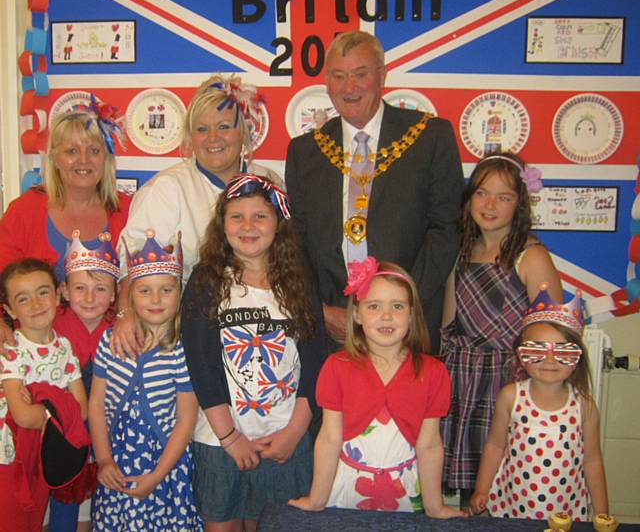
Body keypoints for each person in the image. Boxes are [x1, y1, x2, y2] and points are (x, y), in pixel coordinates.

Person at [285, 30, 464, 351]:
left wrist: (398, 306)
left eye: (360, 74)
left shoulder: (429, 137)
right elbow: (296, 244)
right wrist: (320, 311)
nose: (349, 87)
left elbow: (447, 229)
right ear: (327, 82)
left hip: (407, 324)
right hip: (333, 329)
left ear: (382, 75)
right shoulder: (304, 152)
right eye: (339, 76)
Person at [181, 174, 326, 532]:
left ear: (278, 223)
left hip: (285, 437)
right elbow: (201, 366)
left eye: (260, 216)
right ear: (222, 225)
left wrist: (295, 431)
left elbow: (315, 362)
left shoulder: (299, 281)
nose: (248, 226)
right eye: (237, 217)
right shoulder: (206, 281)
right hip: (220, 440)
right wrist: (230, 437)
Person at [113, 74, 282, 357]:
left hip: (264, 334)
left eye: (224, 127)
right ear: (190, 137)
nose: (213, 138)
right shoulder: (167, 189)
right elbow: (133, 259)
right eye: (202, 129)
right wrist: (126, 313)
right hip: (188, 338)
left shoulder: (270, 183)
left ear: (244, 132)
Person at [289, 257, 464, 517]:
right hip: (347, 489)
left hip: (406, 492)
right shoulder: (336, 367)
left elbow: (429, 444)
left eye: (397, 306)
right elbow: (329, 438)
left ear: (412, 314)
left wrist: (434, 506)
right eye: (374, 306)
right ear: (357, 314)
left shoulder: (433, 372)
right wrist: (317, 498)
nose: (386, 316)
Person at [440, 152, 562, 505]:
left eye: (504, 197)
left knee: (508, 477)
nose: (490, 204)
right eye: (482, 193)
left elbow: (553, 330)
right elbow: (449, 321)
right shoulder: (461, 251)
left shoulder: (530, 255)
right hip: (463, 378)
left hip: (509, 379)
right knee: (471, 488)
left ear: (519, 203)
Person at [89, 230, 202, 531]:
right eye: (145, 291)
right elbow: (97, 405)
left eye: (166, 290)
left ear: (180, 292)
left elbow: (186, 421)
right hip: (117, 460)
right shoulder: (109, 341)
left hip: (165, 465)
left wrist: (156, 476)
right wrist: (103, 460)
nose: (155, 299)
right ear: (130, 295)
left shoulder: (182, 348)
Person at [469, 286, 609, 521]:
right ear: (521, 356)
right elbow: (495, 445)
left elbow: (592, 460)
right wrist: (481, 489)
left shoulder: (584, 406)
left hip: (566, 510)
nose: (550, 360)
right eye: (537, 350)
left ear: (577, 359)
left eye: (563, 352)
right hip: (512, 505)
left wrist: (602, 511)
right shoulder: (511, 397)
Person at [0, 100, 131, 349]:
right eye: (72, 151)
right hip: (39, 351)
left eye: (94, 150)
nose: (84, 160)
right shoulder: (24, 211)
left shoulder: (127, 211)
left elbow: (139, 283)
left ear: (106, 158)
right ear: (55, 158)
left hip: (112, 352)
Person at [0, 258, 87, 532]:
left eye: (43, 292)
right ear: (10, 310)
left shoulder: (64, 347)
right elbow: (23, 416)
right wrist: (58, 407)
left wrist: (43, 405)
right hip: (10, 458)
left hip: (44, 454)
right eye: (23, 299)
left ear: (59, 293)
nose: (36, 304)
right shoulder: (11, 350)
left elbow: (82, 410)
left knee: (34, 520)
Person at [48, 231, 119, 532]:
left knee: (105, 494)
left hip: (109, 431)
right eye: (80, 288)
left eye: (100, 289)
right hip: (64, 432)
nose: (89, 298)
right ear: (64, 290)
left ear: (115, 294)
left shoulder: (119, 331)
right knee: (64, 493)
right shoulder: (51, 326)